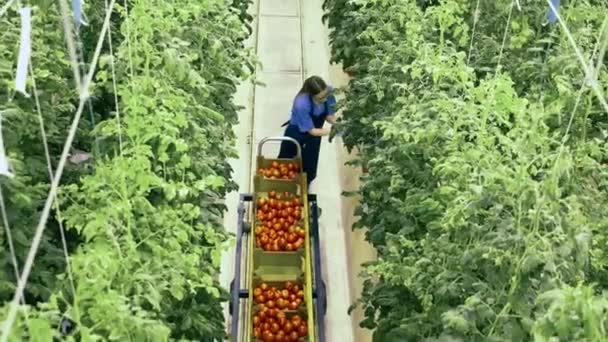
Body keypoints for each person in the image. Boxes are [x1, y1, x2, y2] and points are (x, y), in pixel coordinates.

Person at [278, 76, 337, 216]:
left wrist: (339, 124)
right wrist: (333, 132)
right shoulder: (301, 103)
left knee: (309, 164)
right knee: (285, 162)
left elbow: (329, 116)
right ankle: (281, 189)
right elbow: (311, 131)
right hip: (296, 132)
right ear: (311, 94)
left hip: (315, 134)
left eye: (324, 96)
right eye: (320, 98)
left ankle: (305, 186)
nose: (323, 99)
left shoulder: (328, 92)